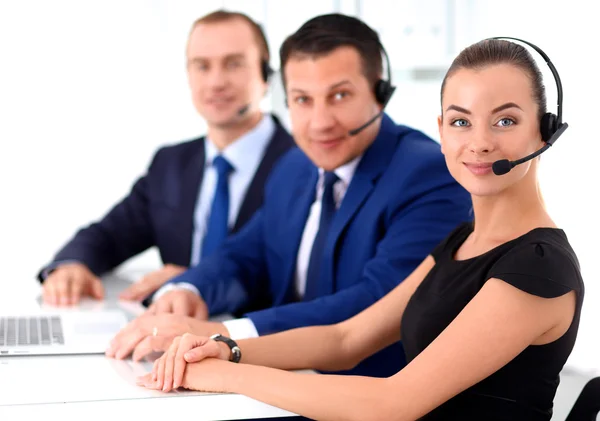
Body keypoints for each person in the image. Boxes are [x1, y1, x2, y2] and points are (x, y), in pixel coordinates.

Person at [137, 34, 585, 421]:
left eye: (505, 120)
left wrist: (226, 375)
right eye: (461, 121)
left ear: (545, 131)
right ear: (442, 132)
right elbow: (347, 338)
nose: (480, 142)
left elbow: (396, 402)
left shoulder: (536, 270)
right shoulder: (462, 242)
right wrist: (224, 346)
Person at [105, 13, 472, 380]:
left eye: (340, 95)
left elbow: (373, 305)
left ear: (380, 93)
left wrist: (227, 335)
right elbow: (247, 253)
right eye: (302, 99)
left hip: (368, 393)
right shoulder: (295, 165)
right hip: (285, 383)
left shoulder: (429, 174)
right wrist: (191, 290)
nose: (319, 122)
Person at [37, 10, 295, 307]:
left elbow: (303, 282)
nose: (216, 81)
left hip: (260, 344)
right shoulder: (171, 164)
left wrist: (195, 284)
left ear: (266, 75)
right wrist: (73, 264)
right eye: (202, 66)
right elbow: (110, 234)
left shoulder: (305, 165)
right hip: (170, 340)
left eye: (233, 64)